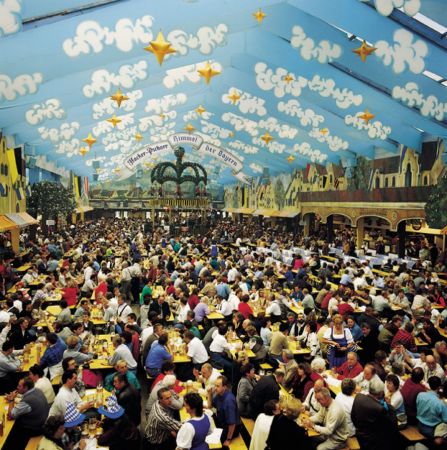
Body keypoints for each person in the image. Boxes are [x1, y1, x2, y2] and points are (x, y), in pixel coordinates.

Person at [3, 377, 50, 450]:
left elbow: (11, 414)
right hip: (42, 424)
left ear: (26, 387)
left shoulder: (28, 401)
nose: (17, 387)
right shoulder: (37, 390)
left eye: (19, 386)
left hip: (34, 429)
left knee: (8, 429)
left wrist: (11, 400)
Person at [351, 383, 400, 450]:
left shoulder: (358, 397)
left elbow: (353, 416)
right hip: (374, 442)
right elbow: (392, 424)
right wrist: (389, 405)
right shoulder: (379, 408)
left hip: (360, 436)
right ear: (381, 393)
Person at [208, 375, 240, 448]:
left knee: (212, 441)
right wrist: (209, 394)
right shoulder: (219, 394)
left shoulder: (229, 401)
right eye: (215, 385)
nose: (215, 388)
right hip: (221, 422)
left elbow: (232, 424)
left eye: (217, 386)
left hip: (230, 428)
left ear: (224, 387)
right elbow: (210, 406)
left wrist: (228, 439)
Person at [416, 376, 447, 442]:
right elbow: (445, 419)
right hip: (431, 430)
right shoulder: (440, 403)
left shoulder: (420, 395)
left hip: (419, 425)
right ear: (439, 387)